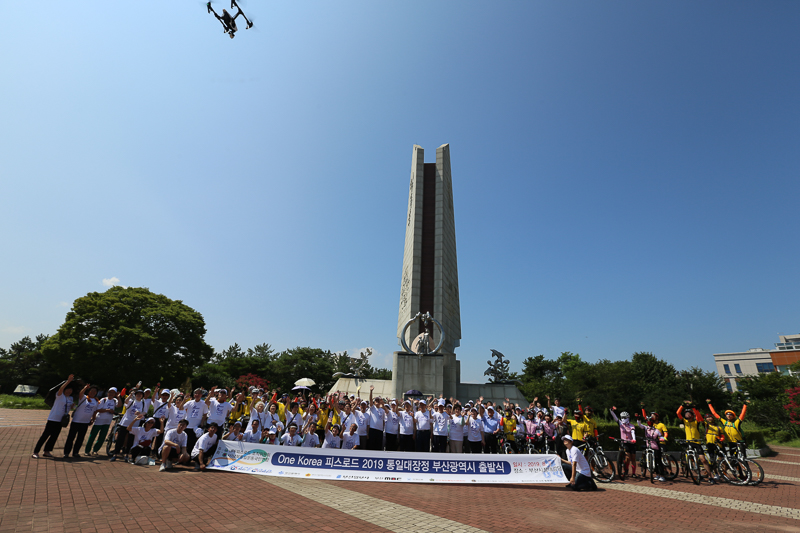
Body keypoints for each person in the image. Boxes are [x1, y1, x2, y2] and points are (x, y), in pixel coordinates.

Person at [33, 375, 75, 459]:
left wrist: (72, 406)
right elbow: (60, 389)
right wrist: (68, 381)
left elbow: (68, 408)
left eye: (70, 390)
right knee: (45, 435)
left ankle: (46, 451)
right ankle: (36, 452)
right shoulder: (59, 396)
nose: (69, 391)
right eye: (67, 389)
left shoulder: (70, 398)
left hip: (61, 420)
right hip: (53, 418)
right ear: (65, 390)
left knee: (54, 436)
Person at [676, 402, 717, 484]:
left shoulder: (696, 422)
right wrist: (682, 406)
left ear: (692, 415)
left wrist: (694, 408)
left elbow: (700, 417)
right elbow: (678, 413)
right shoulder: (684, 421)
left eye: (689, 414)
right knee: (692, 460)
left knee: (703, 460)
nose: (687, 415)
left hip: (697, 443)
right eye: (686, 414)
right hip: (689, 443)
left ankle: (710, 477)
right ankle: (698, 475)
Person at [111, 385, 147, 461]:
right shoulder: (131, 401)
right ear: (135, 395)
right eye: (137, 394)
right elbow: (126, 401)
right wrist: (131, 394)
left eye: (140, 394)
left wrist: (140, 413)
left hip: (135, 424)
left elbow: (145, 412)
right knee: (120, 439)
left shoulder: (143, 403)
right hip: (125, 422)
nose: (139, 395)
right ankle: (115, 453)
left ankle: (127, 454)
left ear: (142, 396)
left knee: (130, 440)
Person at [64, 383, 99, 458]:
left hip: (85, 422)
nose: (93, 392)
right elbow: (81, 393)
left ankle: (75, 452)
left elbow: (94, 411)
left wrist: (93, 419)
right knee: (71, 437)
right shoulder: (83, 398)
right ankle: (66, 452)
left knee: (80, 438)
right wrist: (85, 388)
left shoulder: (96, 401)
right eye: (91, 391)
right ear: (88, 391)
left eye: (94, 391)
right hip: (76, 421)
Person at [85, 386, 119, 456]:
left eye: (113, 393)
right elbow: (97, 409)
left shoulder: (115, 400)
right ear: (108, 393)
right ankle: (87, 451)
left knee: (102, 437)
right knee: (92, 436)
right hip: (99, 420)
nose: (111, 394)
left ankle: (95, 450)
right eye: (110, 392)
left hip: (107, 421)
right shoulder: (103, 400)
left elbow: (119, 405)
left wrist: (118, 397)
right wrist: (107, 410)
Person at [636, 414, 667, 482]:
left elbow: (661, 436)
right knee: (653, 462)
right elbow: (640, 425)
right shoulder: (646, 428)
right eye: (648, 421)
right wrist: (638, 419)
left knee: (658, 461)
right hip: (649, 447)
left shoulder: (656, 430)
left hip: (655, 447)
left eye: (650, 421)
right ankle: (657, 474)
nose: (649, 423)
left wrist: (663, 439)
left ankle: (662, 475)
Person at [609, 406, 637, 480]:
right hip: (624, 443)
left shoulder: (631, 426)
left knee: (633, 459)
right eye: (622, 417)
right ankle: (626, 469)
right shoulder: (620, 424)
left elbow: (633, 432)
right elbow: (615, 417)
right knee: (627, 458)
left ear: (628, 418)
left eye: (625, 417)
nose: (623, 419)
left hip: (631, 443)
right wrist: (611, 410)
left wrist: (634, 439)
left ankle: (633, 473)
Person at [182, 388, 209, 453]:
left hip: (196, 426)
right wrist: (184, 399)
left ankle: (190, 457)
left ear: (201, 395)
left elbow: (205, 414)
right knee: (185, 442)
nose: (197, 395)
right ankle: (183, 456)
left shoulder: (204, 404)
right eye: (196, 393)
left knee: (193, 442)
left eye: (199, 393)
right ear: (194, 395)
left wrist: (202, 423)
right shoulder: (189, 402)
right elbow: (181, 408)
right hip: (188, 425)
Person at [367, 386, 386, 451]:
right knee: (372, 446)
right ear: (374, 402)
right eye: (376, 400)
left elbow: (383, 421)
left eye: (378, 400)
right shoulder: (372, 408)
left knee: (378, 446)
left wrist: (383, 429)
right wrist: (371, 391)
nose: (377, 401)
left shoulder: (382, 410)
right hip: (373, 429)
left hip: (380, 430)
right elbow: (370, 400)